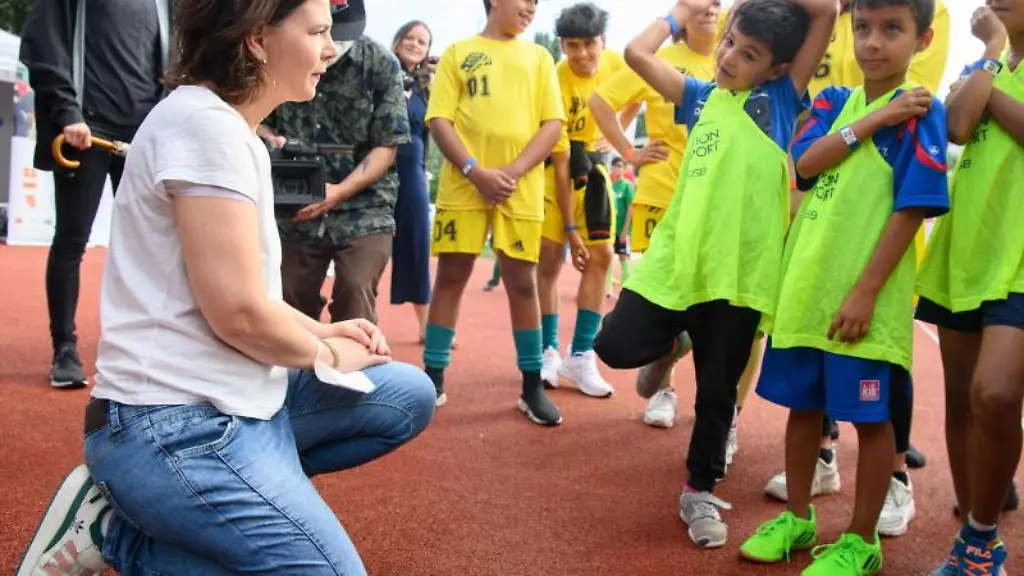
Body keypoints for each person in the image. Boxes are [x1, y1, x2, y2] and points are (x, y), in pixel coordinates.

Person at [15, 2, 436, 575]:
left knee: (403, 394)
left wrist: (321, 327)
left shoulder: (225, 128)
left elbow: (246, 294)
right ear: (259, 40)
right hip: (172, 423)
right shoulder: (206, 129)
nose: (330, 49)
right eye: (316, 32)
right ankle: (117, 537)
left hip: (232, 398)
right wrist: (328, 353)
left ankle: (251, 487)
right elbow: (238, 314)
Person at [594, 0, 835, 548]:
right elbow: (635, 53)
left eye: (748, 54)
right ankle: (673, 339)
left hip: (740, 275)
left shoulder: (779, 100)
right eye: (730, 42)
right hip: (678, 265)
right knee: (614, 346)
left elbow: (827, 12)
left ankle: (698, 490)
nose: (729, 57)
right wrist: (678, 14)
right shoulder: (699, 96)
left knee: (717, 392)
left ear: (776, 69)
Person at [738, 0, 949, 572]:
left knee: (870, 420)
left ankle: (861, 540)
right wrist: (875, 119)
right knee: (803, 409)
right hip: (806, 292)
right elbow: (805, 162)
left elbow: (912, 208)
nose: (873, 42)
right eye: (863, 29)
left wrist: (865, 292)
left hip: (863, 301)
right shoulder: (835, 101)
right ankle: (799, 517)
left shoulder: (923, 111)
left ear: (922, 39)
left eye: (891, 30)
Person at [915, 2, 1024, 573]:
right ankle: (977, 538)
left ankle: (981, 529)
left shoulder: (986, 74)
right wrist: (989, 59)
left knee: (997, 395)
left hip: (1020, 258)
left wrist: (987, 81)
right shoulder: (986, 64)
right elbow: (956, 125)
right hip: (965, 251)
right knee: (962, 398)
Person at [19, 0, 175, 389]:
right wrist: (68, 111)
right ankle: (65, 350)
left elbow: (180, 57)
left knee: (148, 246)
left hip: (145, 132)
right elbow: (43, 42)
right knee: (72, 240)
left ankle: (143, 348)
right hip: (86, 130)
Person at [422, 0, 565, 425]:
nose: (532, 8)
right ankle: (432, 378)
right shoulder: (458, 53)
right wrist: (474, 171)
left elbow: (553, 124)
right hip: (464, 186)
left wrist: (514, 172)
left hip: (519, 190)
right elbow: (440, 120)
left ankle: (531, 386)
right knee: (451, 276)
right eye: (526, 0)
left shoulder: (540, 57)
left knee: (523, 284)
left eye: (537, 4)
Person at [589, 0, 719, 429]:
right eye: (702, 2)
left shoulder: (738, 61)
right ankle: (664, 389)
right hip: (661, 195)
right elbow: (601, 101)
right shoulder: (662, 60)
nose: (710, 8)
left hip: (716, 202)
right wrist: (630, 152)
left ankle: (719, 413)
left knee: (713, 300)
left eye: (719, 2)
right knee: (660, 296)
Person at [259, 0, 410, 326]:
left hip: (364, 205)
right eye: (320, 33)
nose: (330, 48)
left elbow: (388, 144)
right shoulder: (282, 57)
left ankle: (351, 371)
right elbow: (255, 116)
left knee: (355, 289)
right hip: (295, 200)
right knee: (290, 296)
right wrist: (270, 137)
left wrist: (339, 191)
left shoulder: (380, 63)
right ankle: (296, 374)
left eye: (340, 36)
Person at [537, 2, 632, 399]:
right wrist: (570, 228)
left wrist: (618, 132)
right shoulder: (553, 78)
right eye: (571, 46)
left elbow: (637, 96)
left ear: (602, 41)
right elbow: (558, 158)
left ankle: (581, 354)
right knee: (548, 257)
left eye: (588, 44)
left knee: (603, 257)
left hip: (594, 172)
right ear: (562, 46)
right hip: (553, 171)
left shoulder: (617, 66)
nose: (581, 55)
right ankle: (547, 350)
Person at [390, 20, 436, 342]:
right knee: (368, 246)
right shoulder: (380, 72)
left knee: (418, 244)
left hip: (413, 173)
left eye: (423, 42)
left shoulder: (427, 87)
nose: (415, 45)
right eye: (410, 38)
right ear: (398, 40)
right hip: (376, 170)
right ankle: (360, 317)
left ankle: (426, 326)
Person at [607, 156, 634, 299]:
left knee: (623, 257)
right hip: (610, 228)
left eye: (620, 166)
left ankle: (626, 289)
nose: (617, 169)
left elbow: (630, 209)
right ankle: (607, 289)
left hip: (622, 228)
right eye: (615, 166)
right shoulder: (609, 185)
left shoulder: (627, 186)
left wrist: (625, 230)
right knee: (608, 256)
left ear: (624, 169)